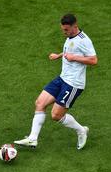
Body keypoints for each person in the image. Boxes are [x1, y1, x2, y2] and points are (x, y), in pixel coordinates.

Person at [14, 13, 98, 150]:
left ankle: (81, 130)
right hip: (62, 78)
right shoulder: (71, 36)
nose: (63, 32)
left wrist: (74, 58)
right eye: (62, 29)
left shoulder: (84, 40)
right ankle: (32, 139)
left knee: (56, 115)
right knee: (40, 103)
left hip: (73, 84)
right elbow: (70, 50)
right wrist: (58, 55)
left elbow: (94, 60)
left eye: (66, 30)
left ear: (74, 26)